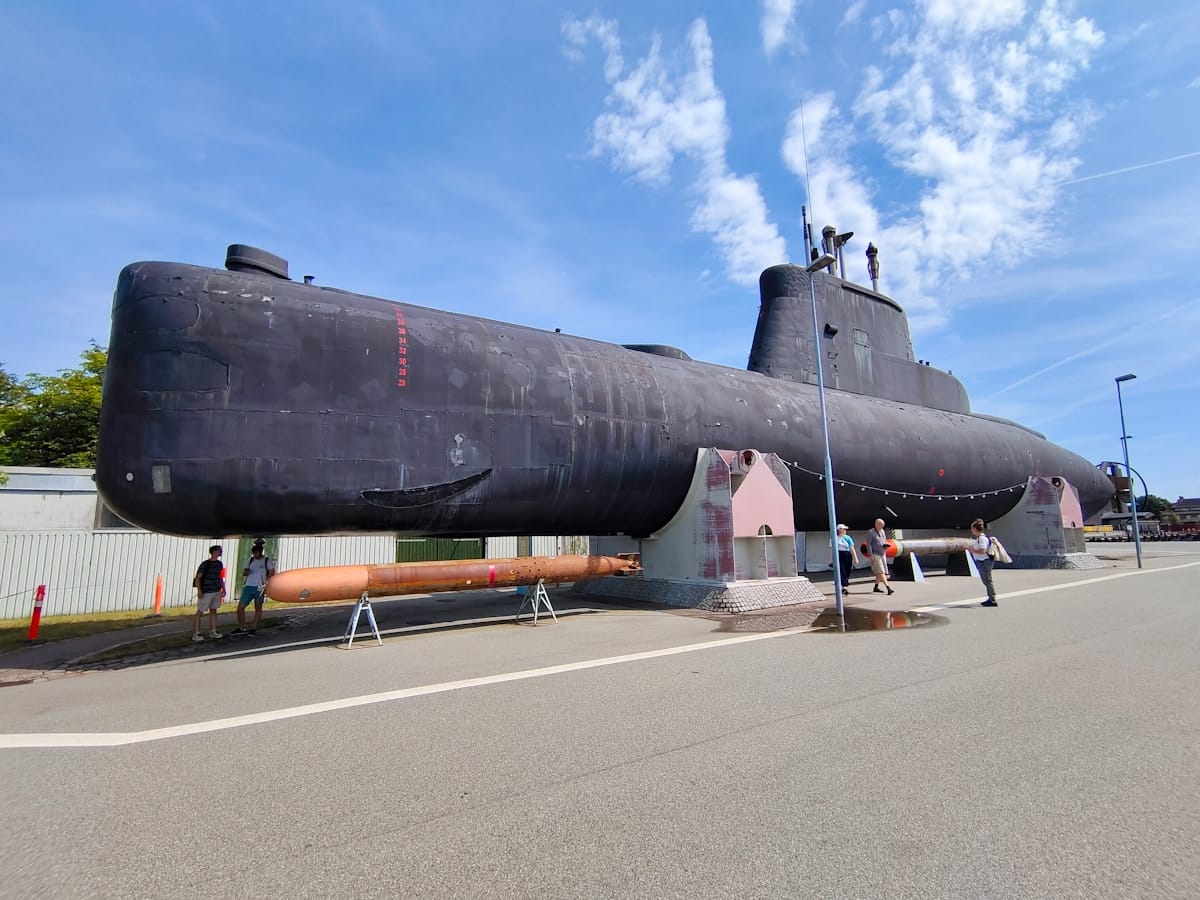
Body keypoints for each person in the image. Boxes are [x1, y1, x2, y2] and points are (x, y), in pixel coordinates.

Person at [233, 540, 275, 635]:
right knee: (240, 607)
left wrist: (266, 582)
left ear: (260, 552)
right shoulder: (250, 560)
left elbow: (271, 572)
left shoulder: (266, 561)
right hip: (248, 585)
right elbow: (244, 572)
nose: (255, 555)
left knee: (258, 606)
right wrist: (247, 572)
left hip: (259, 586)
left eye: (256, 553)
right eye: (254, 553)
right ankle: (242, 627)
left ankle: (253, 627)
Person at [192, 545, 225, 641]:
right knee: (200, 611)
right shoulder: (205, 564)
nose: (221, 552)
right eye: (219, 550)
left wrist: (222, 588)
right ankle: (196, 632)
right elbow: (198, 578)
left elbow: (219, 577)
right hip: (206, 591)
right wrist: (199, 591)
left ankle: (213, 630)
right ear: (214, 551)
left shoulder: (219, 564)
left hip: (216, 590)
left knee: (214, 610)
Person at [970, 518, 998, 607]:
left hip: (985, 561)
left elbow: (982, 550)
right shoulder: (979, 538)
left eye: (972, 528)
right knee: (986, 580)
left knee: (987, 580)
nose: (971, 530)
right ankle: (991, 598)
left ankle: (992, 599)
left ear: (975, 529)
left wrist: (972, 550)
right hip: (982, 561)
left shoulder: (982, 539)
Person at [868, 518, 894, 595]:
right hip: (875, 554)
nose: (881, 527)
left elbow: (884, 540)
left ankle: (876, 587)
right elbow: (868, 544)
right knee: (881, 571)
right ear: (876, 524)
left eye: (883, 526)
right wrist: (870, 554)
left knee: (880, 572)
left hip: (883, 553)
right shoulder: (871, 532)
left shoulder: (882, 531)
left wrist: (885, 545)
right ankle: (888, 587)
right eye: (880, 525)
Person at [835, 524, 859, 596]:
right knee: (842, 570)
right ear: (839, 530)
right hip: (839, 554)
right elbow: (832, 549)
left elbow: (852, 548)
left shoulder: (848, 538)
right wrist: (831, 559)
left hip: (847, 554)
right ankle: (844, 586)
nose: (845, 531)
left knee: (847, 570)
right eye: (843, 529)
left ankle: (844, 585)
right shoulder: (835, 538)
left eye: (845, 529)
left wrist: (855, 558)